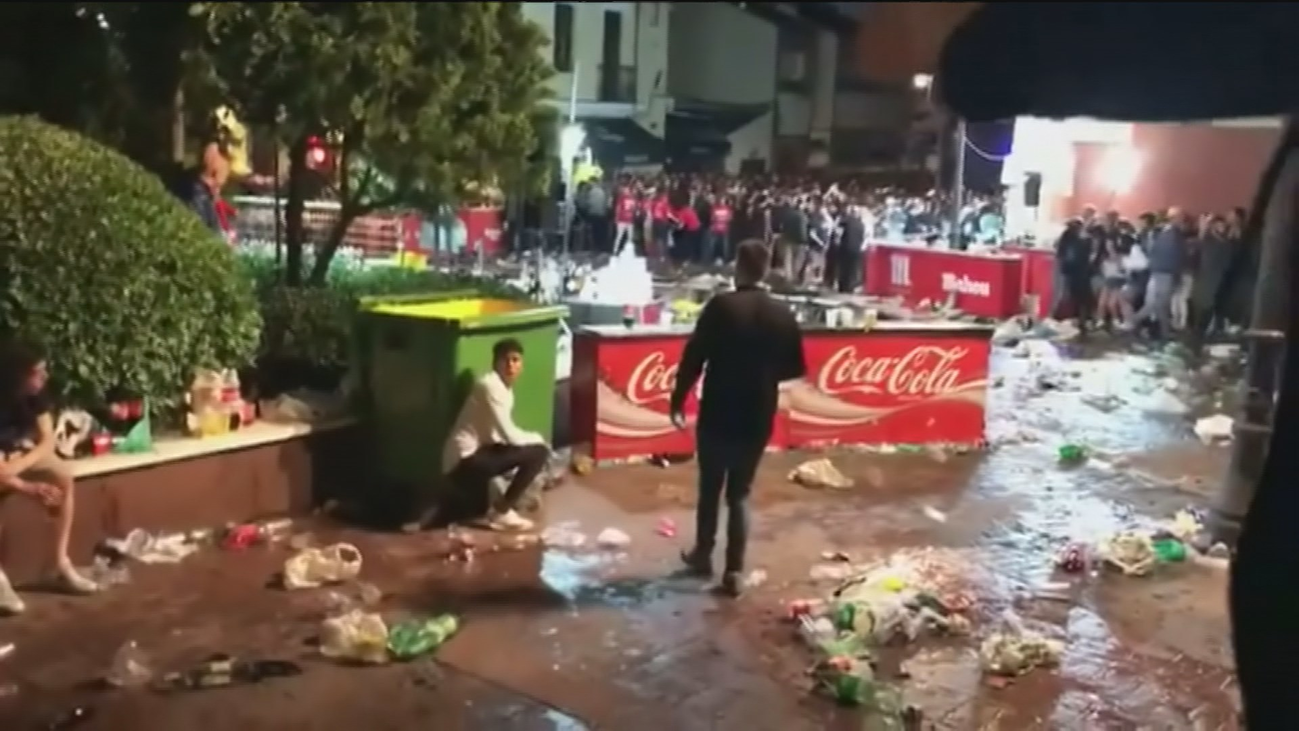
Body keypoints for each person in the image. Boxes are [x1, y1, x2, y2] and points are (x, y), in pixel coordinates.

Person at [669, 240, 807, 596]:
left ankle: (702, 555)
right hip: (757, 413)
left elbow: (694, 357)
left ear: (739, 268)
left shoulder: (721, 307)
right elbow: (793, 368)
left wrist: (678, 397)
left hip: (718, 409)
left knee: (710, 486)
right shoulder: (782, 313)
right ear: (765, 270)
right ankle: (734, 571)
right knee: (740, 493)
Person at [0, 342, 100, 614]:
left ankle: (58, 565)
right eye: (37, 372)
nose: (44, 378)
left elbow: (46, 441)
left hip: (18, 455)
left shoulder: (37, 394)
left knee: (61, 476)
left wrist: (19, 465)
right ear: (18, 375)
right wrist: (24, 486)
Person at [439, 339, 550, 532]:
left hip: (473, 456)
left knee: (529, 451)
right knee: (538, 452)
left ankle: (501, 507)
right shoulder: (491, 386)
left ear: (521, 365)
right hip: (461, 464)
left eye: (515, 360)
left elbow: (496, 435)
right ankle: (501, 512)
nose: (510, 365)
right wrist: (538, 439)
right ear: (495, 363)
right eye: (505, 360)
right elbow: (510, 436)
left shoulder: (504, 390)